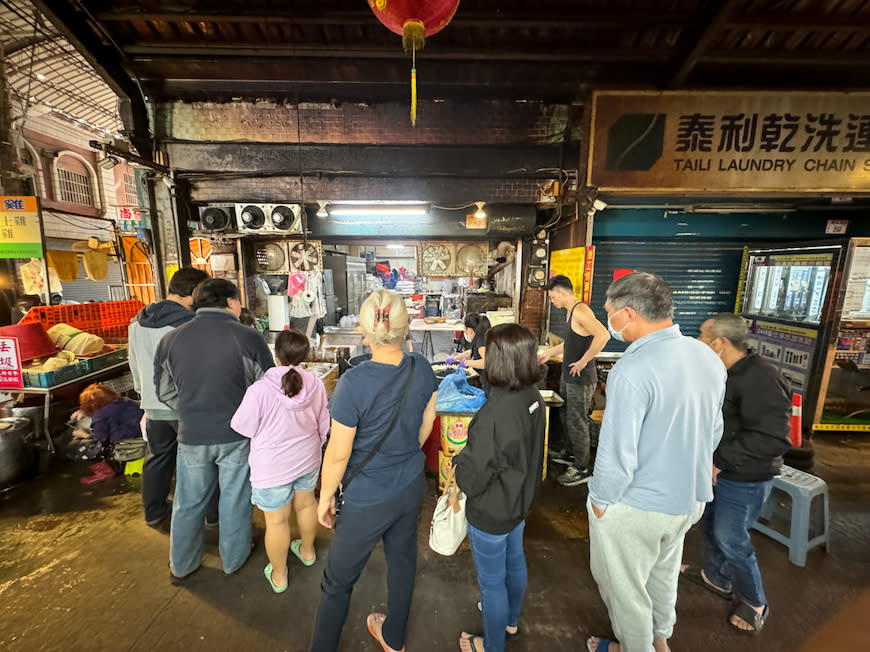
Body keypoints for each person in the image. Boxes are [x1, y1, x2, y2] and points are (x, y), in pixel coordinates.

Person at [586, 272, 726, 652]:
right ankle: (660, 640)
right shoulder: (705, 357)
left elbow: (617, 452)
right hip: (687, 500)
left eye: (610, 314)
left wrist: (599, 500)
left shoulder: (631, 370)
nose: (609, 322)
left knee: (626, 590)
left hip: (636, 507)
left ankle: (636, 647)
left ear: (629, 314)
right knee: (663, 575)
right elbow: (714, 431)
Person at [310, 289, 438, 652]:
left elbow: (337, 453)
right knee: (402, 561)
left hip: (366, 499)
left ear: (364, 332)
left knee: (337, 584)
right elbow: (427, 423)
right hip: (410, 486)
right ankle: (394, 638)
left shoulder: (353, 382)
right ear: (405, 327)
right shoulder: (422, 368)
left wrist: (325, 497)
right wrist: (404, 455)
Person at [154, 278, 274, 582]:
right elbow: (268, 387)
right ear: (231, 302)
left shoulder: (170, 340)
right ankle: (233, 560)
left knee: (188, 502)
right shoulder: (249, 337)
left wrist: (189, 411)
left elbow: (164, 391)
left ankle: (182, 564)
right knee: (234, 498)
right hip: (236, 436)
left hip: (192, 434)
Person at [680, 313, 791, 634]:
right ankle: (715, 577)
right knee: (712, 526)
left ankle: (756, 601)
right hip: (719, 468)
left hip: (745, 477)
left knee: (732, 538)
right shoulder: (720, 371)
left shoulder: (761, 378)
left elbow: (772, 438)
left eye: (702, 335)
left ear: (720, 343)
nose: (698, 340)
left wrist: (720, 462)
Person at [452, 323, 547, 652]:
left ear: (502, 360)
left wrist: (458, 464)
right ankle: (510, 619)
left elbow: (474, 476)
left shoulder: (497, 412)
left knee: (491, 582)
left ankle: (491, 646)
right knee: (514, 559)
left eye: (488, 352)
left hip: (492, 509)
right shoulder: (532, 396)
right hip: (519, 501)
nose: (483, 356)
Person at [230, 329, 330, 593]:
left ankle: (280, 574)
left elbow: (241, 426)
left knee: (276, 521)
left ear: (276, 355)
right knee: (307, 504)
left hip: (272, 467)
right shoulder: (316, 384)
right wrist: (314, 448)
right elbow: (323, 424)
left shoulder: (260, 389)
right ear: (305, 355)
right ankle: (307, 552)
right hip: (308, 458)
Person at [128, 267, 210, 528]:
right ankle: (209, 515)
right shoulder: (188, 324)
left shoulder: (137, 322)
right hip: (186, 406)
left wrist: (144, 395)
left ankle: (154, 512)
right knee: (200, 464)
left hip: (153, 406)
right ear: (193, 294)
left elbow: (133, 363)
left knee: (157, 459)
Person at [539, 275, 610, 487]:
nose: (553, 301)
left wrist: (583, 361)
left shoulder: (581, 310)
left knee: (577, 421)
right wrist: (548, 353)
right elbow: (570, 343)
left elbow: (603, 335)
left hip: (581, 377)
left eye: (552, 297)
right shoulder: (570, 312)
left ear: (562, 292)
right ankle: (570, 454)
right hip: (569, 375)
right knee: (566, 415)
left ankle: (581, 468)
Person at [67, 383, 144, 484]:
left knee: (76, 446)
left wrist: (83, 434)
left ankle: (104, 472)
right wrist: (83, 411)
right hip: (143, 439)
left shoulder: (100, 416)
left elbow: (99, 440)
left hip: (127, 447)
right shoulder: (125, 401)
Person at [447, 313, 492, 395]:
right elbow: (471, 352)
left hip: (490, 384)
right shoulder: (482, 336)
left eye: (464, 330)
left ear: (469, 330)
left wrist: (468, 363)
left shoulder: (481, 341)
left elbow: (487, 362)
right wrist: (455, 358)